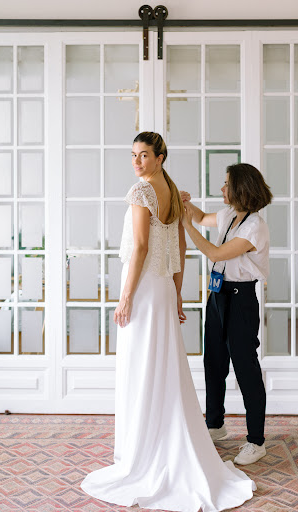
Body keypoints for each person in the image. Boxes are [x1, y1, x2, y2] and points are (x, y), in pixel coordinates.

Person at [81, 133, 255, 512]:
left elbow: (141, 247)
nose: (137, 162)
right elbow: (180, 248)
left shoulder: (140, 192)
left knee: (140, 367)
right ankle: (159, 443)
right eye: (133, 155)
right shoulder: (173, 193)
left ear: (160, 157)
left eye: (144, 155)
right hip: (161, 288)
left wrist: (126, 296)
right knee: (163, 366)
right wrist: (176, 291)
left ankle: (140, 453)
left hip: (143, 288)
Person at [181, 163, 273, 466]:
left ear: (240, 188)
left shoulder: (254, 225)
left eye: (225, 184)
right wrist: (185, 203)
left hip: (241, 299)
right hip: (218, 297)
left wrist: (187, 226)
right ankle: (215, 425)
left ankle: (255, 441)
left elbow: (217, 253)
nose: (221, 189)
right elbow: (200, 216)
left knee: (245, 367)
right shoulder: (229, 216)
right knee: (214, 362)